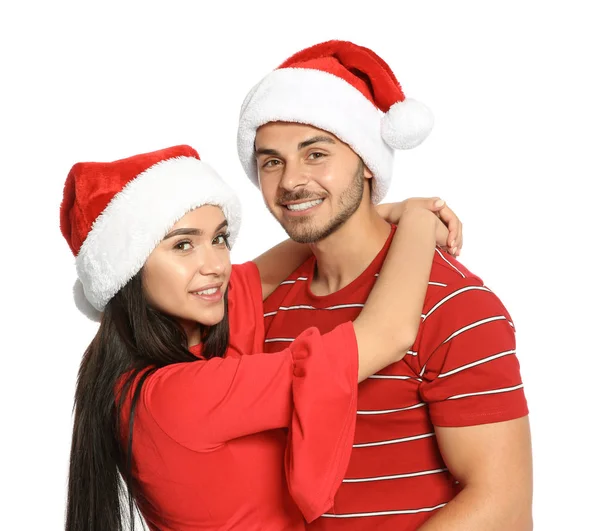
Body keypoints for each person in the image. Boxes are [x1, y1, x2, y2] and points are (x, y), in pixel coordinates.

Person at [60, 144, 462, 531]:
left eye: (218, 239)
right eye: (183, 245)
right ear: (127, 270)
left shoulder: (171, 350)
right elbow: (387, 334)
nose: (215, 265)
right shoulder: (173, 396)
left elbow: (266, 269)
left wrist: (384, 213)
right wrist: (420, 220)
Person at [237, 40, 532, 530]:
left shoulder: (454, 305)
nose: (291, 181)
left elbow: (503, 506)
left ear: (369, 161)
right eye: (272, 161)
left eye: (316, 153)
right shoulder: (263, 306)